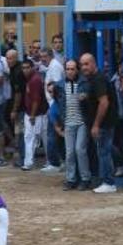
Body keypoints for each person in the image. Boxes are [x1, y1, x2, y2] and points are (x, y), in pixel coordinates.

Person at [79, 53, 119, 194]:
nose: (84, 67)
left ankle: (109, 182)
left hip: (104, 123)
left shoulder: (98, 79)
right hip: (103, 123)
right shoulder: (92, 79)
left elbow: (104, 102)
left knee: (104, 152)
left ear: (94, 63)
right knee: (105, 150)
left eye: (87, 64)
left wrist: (96, 124)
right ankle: (113, 172)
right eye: (82, 64)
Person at [54, 60, 91, 191]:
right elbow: (58, 104)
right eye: (68, 69)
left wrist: (85, 97)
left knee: (79, 150)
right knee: (69, 152)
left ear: (77, 70)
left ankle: (85, 179)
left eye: (72, 69)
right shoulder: (60, 85)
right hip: (68, 122)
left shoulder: (84, 83)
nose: (70, 71)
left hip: (82, 122)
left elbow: (89, 97)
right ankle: (71, 179)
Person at [21, 59, 48, 171]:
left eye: (27, 67)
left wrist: (32, 115)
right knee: (37, 137)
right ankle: (48, 161)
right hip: (35, 113)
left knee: (32, 137)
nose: (25, 70)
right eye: (23, 68)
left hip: (36, 114)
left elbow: (36, 100)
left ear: (32, 67)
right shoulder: (32, 79)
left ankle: (29, 162)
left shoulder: (34, 80)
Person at [41, 48, 65, 172]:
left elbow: (55, 87)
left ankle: (54, 163)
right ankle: (59, 161)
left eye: (44, 56)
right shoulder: (51, 66)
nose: (42, 59)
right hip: (53, 104)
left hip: (55, 105)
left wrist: (53, 108)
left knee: (52, 134)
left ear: (50, 56)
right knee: (56, 135)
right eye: (41, 56)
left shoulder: (54, 67)